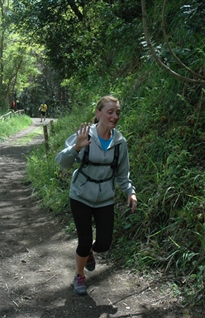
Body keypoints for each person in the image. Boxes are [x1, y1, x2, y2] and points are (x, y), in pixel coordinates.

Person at [56, 95, 137, 295]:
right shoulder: (85, 135)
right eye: (110, 112)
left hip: (105, 198)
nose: (115, 116)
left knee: (104, 243)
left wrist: (130, 191)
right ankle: (79, 275)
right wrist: (76, 147)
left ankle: (89, 252)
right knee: (84, 241)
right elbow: (62, 162)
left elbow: (122, 173)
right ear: (98, 113)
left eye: (117, 112)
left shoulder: (120, 142)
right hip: (80, 194)